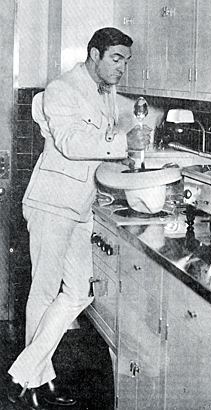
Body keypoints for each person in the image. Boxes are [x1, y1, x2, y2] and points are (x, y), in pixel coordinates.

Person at [7, 27, 151, 410]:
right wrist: (125, 143)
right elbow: (72, 144)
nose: (122, 67)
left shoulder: (106, 93)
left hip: (79, 206)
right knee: (43, 292)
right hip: (51, 204)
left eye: (126, 60)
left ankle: (26, 372)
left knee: (78, 293)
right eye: (116, 58)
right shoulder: (62, 88)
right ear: (94, 53)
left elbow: (100, 145)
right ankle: (37, 382)